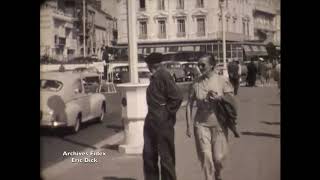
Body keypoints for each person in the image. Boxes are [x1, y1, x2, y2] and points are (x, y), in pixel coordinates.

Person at [186, 54, 239, 180]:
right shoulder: (196, 83)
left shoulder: (221, 80)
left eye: (203, 65)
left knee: (218, 158)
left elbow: (232, 101)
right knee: (206, 156)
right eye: (198, 65)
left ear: (211, 66)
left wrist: (220, 98)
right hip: (201, 124)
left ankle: (218, 174)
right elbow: (189, 104)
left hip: (219, 124)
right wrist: (188, 125)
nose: (200, 67)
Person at [143, 52, 183, 180]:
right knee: (149, 156)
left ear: (151, 65)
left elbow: (177, 97)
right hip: (151, 121)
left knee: (166, 158)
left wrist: (166, 114)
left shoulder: (163, 75)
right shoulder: (156, 76)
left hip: (162, 123)